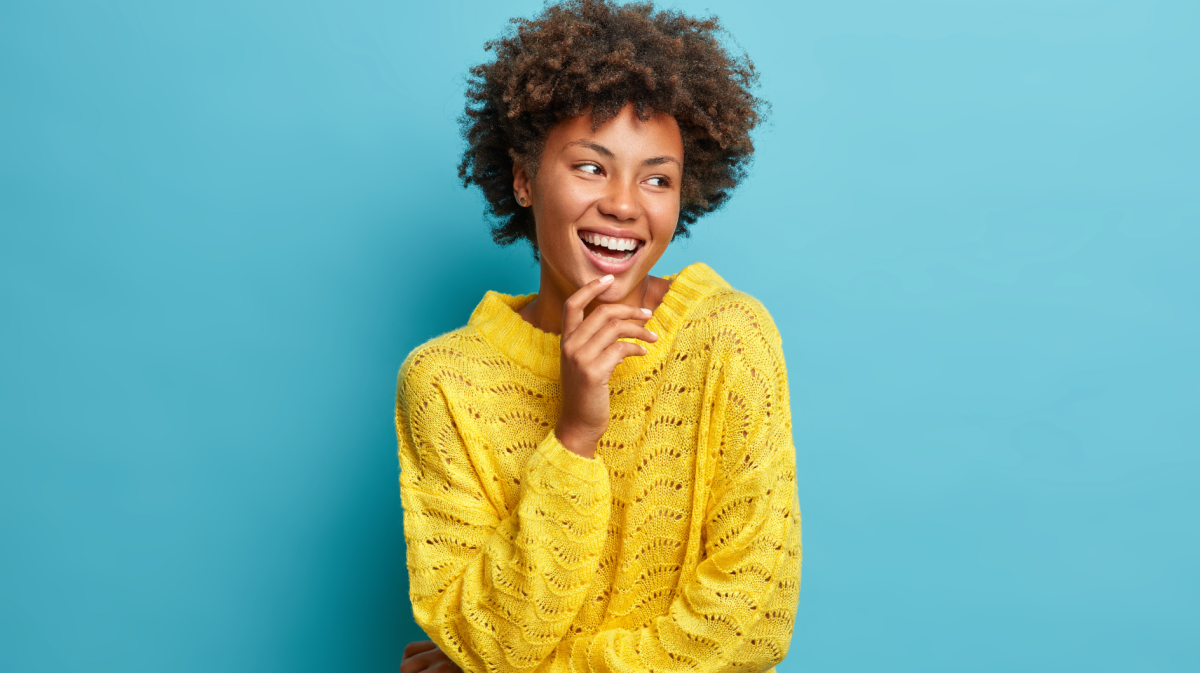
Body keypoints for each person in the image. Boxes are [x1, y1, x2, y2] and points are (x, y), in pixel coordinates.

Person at [395, 1, 801, 671]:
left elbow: (747, 629)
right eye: (591, 166)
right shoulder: (444, 383)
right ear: (524, 179)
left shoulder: (730, 337)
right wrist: (575, 435)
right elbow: (496, 641)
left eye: (657, 178)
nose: (623, 203)